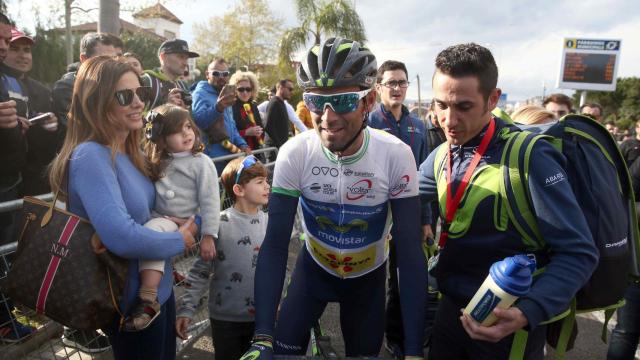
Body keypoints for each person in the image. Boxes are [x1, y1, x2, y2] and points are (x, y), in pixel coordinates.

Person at [240, 37, 427, 359]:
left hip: (366, 283)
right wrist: (262, 337)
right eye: (314, 101)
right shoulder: (295, 152)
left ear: (368, 102)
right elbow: (274, 244)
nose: (326, 117)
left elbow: (409, 255)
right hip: (313, 274)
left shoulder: (395, 154)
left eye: (341, 102)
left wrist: (412, 349)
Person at [418, 43, 597, 359]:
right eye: (441, 105)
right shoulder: (441, 155)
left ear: (493, 99)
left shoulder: (531, 157)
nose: (448, 120)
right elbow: (401, 193)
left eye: (463, 106)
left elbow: (578, 252)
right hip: (450, 314)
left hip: (506, 325)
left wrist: (527, 312)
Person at [48, 56, 198, 359]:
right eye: (123, 96)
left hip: (158, 289)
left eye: (140, 93)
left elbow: (146, 216)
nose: (137, 102)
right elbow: (121, 236)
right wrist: (178, 239)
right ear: (97, 102)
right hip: (129, 301)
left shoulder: (130, 152)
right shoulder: (91, 155)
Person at [122, 104, 220, 332]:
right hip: (160, 216)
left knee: (153, 234)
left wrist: (208, 235)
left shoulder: (201, 162)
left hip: (181, 221)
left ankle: (148, 298)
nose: (187, 133)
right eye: (177, 131)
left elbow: (211, 201)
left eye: (188, 127)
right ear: (162, 140)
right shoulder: (157, 161)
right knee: (150, 234)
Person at [177, 155, 270, 360]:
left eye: (266, 180)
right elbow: (200, 271)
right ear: (239, 190)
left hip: (264, 318)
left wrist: (282, 299)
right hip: (226, 320)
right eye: (260, 182)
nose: (267, 186)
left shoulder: (270, 224)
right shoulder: (218, 224)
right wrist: (186, 309)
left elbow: (279, 268)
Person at [367, 59, 430, 359]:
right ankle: (367, 338)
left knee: (404, 278)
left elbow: (424, 177)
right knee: (372, 281)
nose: (397, 88)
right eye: (390, 82)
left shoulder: (419, 125)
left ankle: (399, 339)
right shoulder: (368, 123)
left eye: (401, 82)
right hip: (374, 216)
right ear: (378, 87)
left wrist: (426, 219)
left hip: (409, 215)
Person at [2, 27, 63, 196]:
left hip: (35, 182)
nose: (23, 55)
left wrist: (50, 125)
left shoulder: (43, 91)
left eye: (27, 50)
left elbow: (48, 144)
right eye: (14, 48)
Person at [192, 58, 249, 174]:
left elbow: (232, 127)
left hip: (230, 159)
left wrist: (242, 144)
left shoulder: (224, 93)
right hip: (213, 161)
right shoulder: (200, 93)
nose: (221, 77)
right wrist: (218, 107)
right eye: (216, 73)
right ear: (207, 74)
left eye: (225, 74)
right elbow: (199, 121)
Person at [52, 32, 120, 127]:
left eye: (113, 59)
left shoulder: (115, 84)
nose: (111, 65)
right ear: (84, 59)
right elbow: (73, 129)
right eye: (103, 59)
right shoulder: (67, 88)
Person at [141, 39, 198, 109]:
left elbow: (190, 119)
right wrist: (165, 108)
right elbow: (137, 117)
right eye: (181, 57)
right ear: (163, 57)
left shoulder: (183, 86)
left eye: (186, 58)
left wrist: (184, 111)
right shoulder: (147, 81)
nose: (185, 63)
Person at [229, 70, 264, 150]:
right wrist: (246, 132)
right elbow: (228, 134)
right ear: (235, 90)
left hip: (255, 151)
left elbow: (261, 128)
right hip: (237, 152)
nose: (245, 93)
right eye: (241, 89)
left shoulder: (253, 106)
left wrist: (259, 132)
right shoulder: (230, 107)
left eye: (248, 89)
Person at [264, 79, 297, 148]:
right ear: (281, 88)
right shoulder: (274, 103)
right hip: (274, 149)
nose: (291, 92)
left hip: (280, 148)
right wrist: (279, 145)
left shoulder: (281, 103)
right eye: (290, 89)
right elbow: (267, 126)